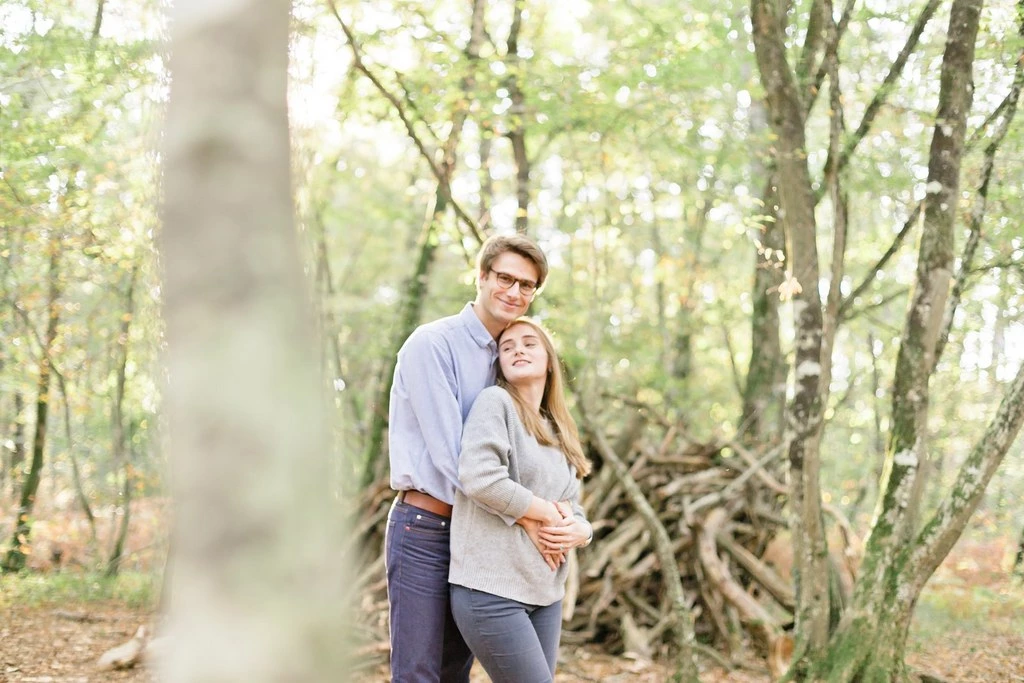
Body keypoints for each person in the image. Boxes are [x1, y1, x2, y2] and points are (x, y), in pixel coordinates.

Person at [386, 234, 549, 683]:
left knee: (454, 672)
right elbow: (454, 459)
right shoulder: (432, 344)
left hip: (479, 535)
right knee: (418, 672)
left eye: (527, 285)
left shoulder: (510, 359)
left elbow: (527, 456)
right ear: (481, 277)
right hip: (425, 529)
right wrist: (530, 515)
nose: (514, 292)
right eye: (505, 278)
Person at [449, 317, 594, 683]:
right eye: (508, 346)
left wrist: (582, 531)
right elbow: (479, 477)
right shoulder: (494, 403)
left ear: (549, 360)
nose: (517, 349)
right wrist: (542, 512)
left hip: (545, 592)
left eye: (529, 343)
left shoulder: (557, 426)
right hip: (490, 588)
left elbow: (572, 503)